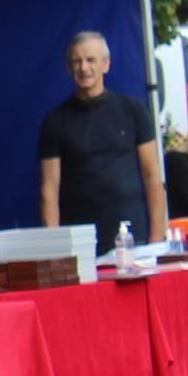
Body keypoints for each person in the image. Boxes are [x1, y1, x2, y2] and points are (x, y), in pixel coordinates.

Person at [38, 31, 165, 252]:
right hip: (79, 240)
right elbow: (49, 189)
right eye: (77, 61)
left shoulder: (133, 111)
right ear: (68, 68)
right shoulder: (55, 121)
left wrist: (157, 237)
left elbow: (153, 176)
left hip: (132, 236)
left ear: (106, 64)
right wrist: (55, 250)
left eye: (90, 60)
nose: (84, 68)